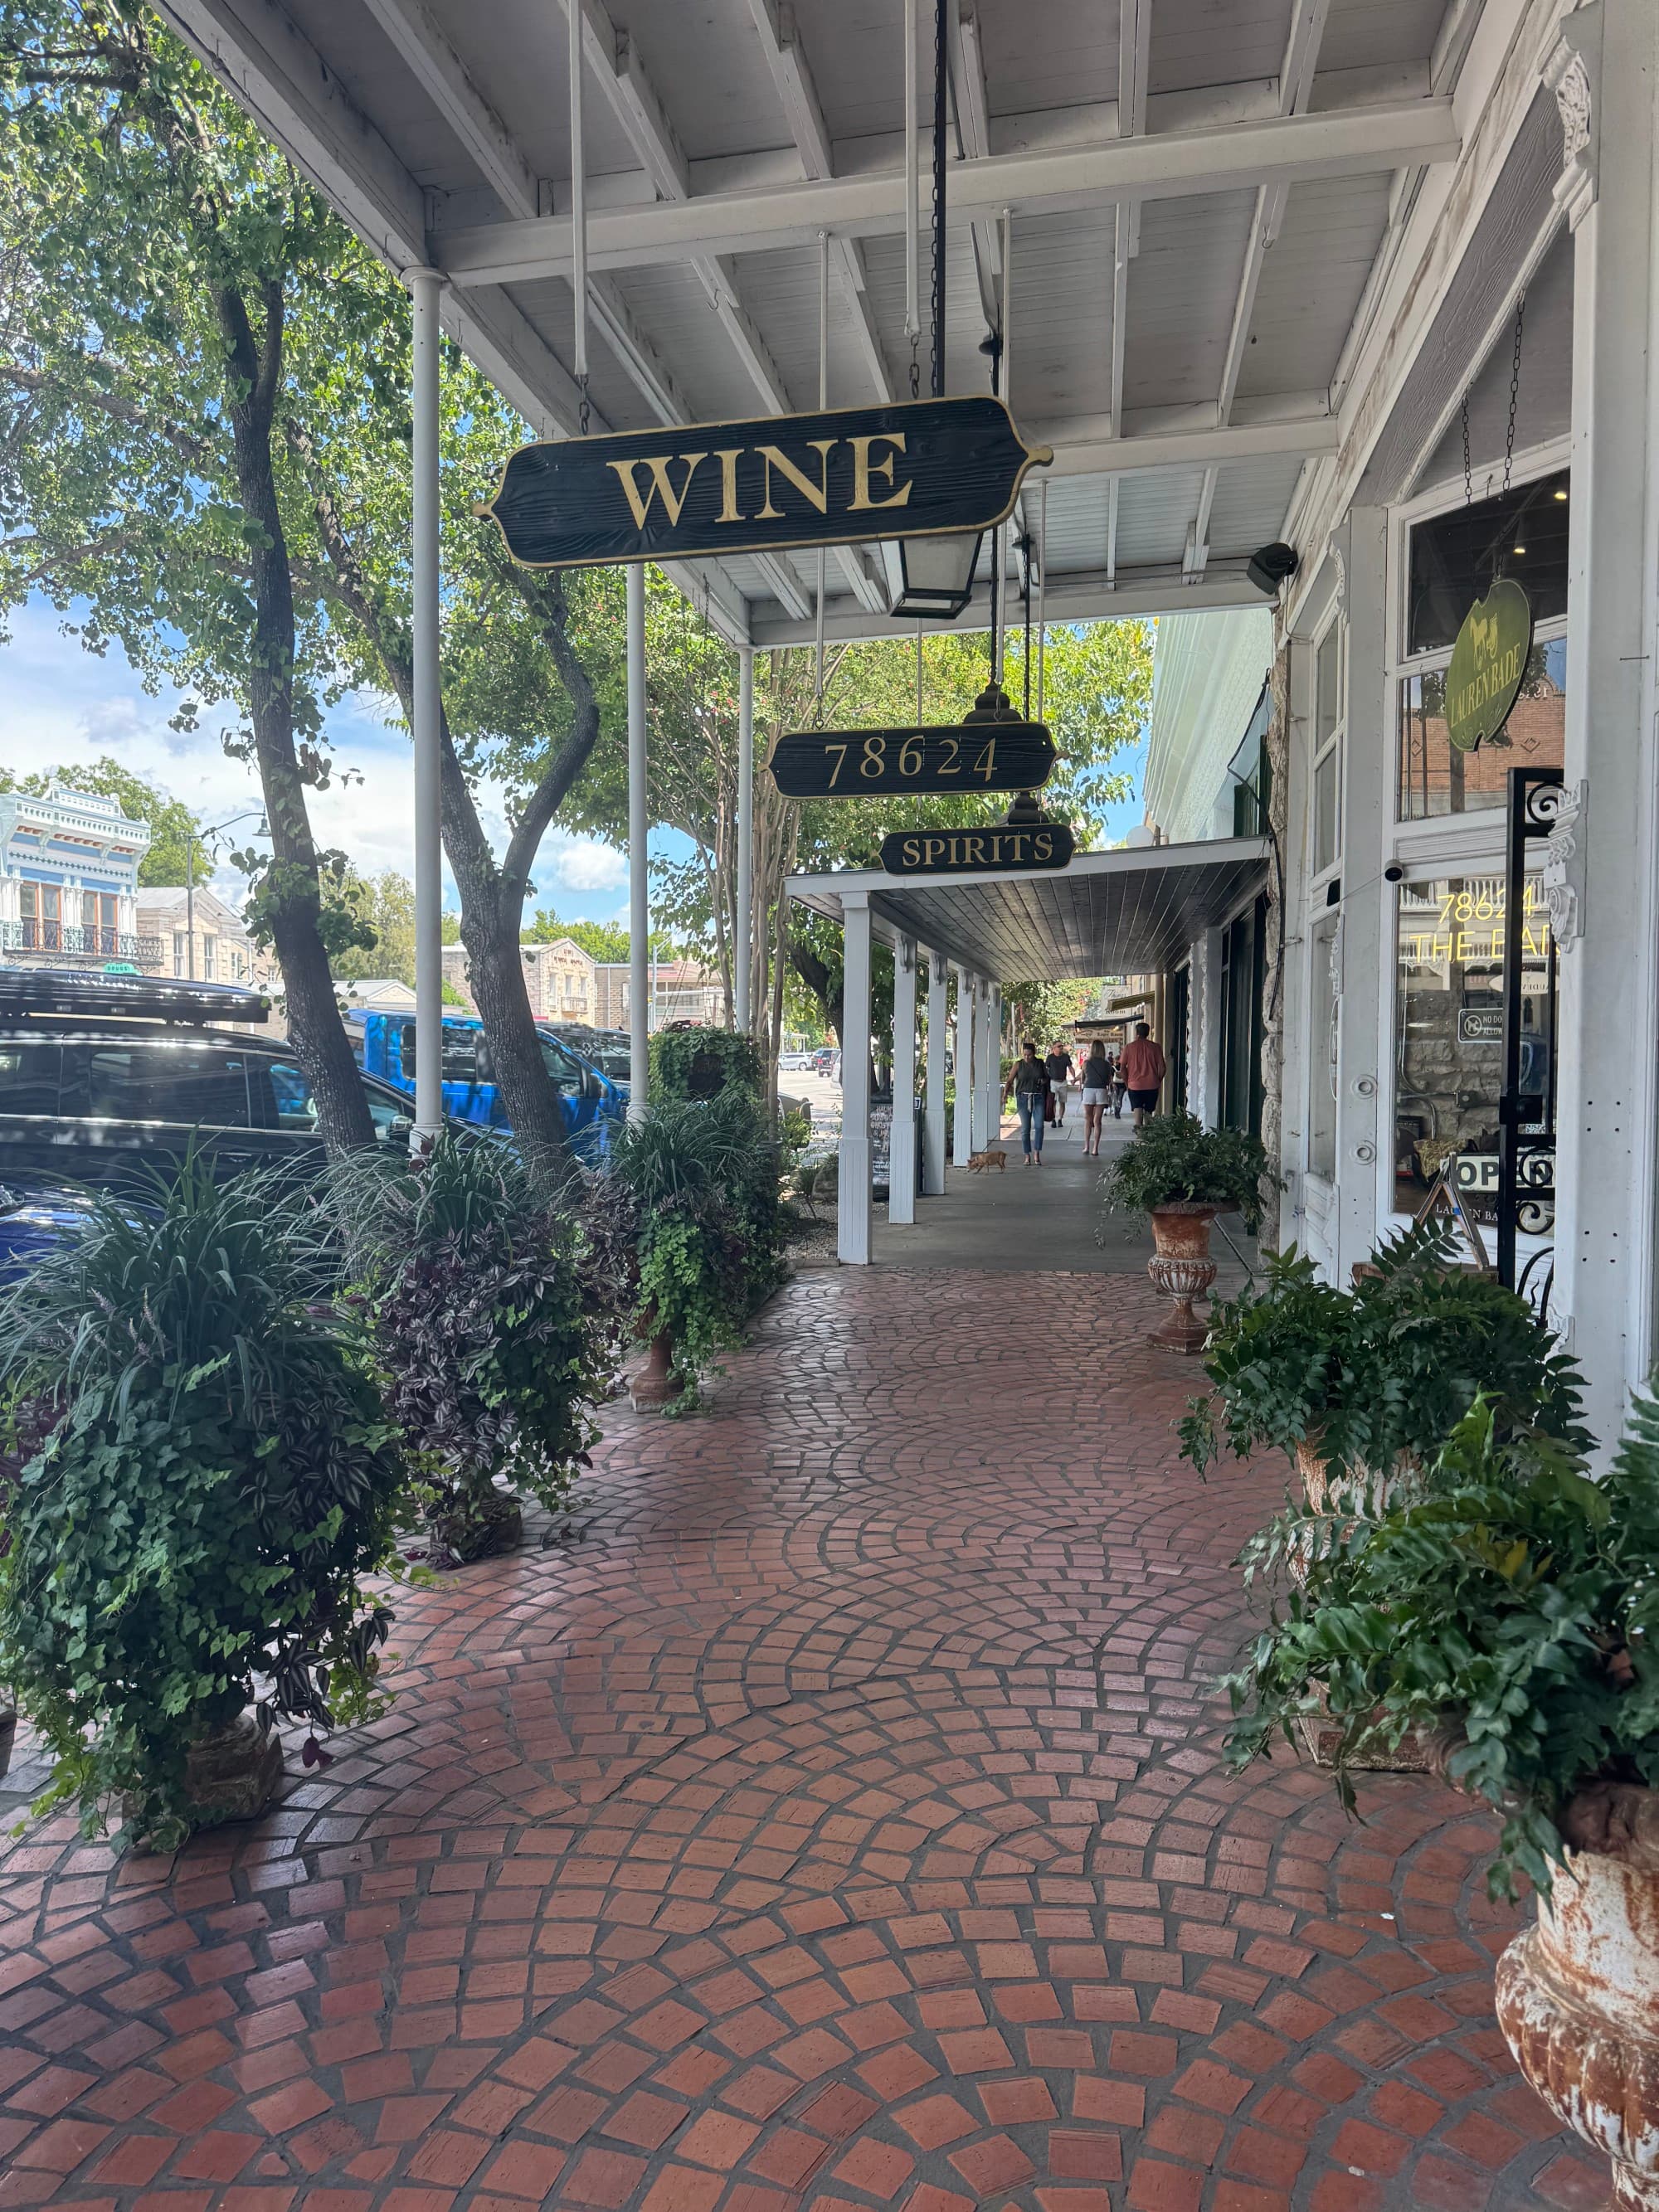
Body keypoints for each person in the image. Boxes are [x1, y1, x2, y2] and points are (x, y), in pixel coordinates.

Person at [1008, 1039, 1051, 1167]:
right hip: (1023, 1098)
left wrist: (1043, 1081)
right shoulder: (1018, 1064)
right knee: (1025, 1128)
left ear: (1034, 1053)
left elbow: (1047, 1078)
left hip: (1038, 1097)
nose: (1027, 1057)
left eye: (1029, 1055)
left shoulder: (1040, 1063)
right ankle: (1027, 1155)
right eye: (1025, 1055)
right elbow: (1010, 1080)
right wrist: (1005, 1095)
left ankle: (1037, 1153)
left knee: (1039, 1126)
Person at [1120, 1020, 1167, 1129]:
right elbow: (1163, 1067)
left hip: (1134, 1085)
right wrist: (1158, 1080)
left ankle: (1139, 1132)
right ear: (1148, 1033)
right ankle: (1148, 1133)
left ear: (1136, 1033)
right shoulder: (1156, 1047)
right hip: (1152, 1085)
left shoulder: (1129, 1047)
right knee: (1149, 1112)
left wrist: (1127, 1083)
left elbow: (1122, 1068)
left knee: (1137, 1109)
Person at [1079, 1041, 1112, 1156]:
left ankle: (1086, 1147)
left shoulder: (1086, 1063)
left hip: (1089, 1090)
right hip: (1101, 1091)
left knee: (1088, 1120)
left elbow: (1083, 1079)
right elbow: (1108, 1080)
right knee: (1097, 1121)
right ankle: (1095, 1149)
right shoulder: (1107, 1064)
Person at [1044, 1040, 1073, 1126]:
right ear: (1054, 1048)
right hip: (1053, 1082)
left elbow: (1070, 1067)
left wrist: (1074, 1077)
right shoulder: (1050, 1058)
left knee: (1062, 1102)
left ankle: (1060, 1119)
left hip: (1063, 1082)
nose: (1061, 1047)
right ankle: (1053, 1119)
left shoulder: (1066, 1057)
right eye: (1059, 1046)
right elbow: (1046, 1068)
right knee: (1053, 1101)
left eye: (1061, 1046)